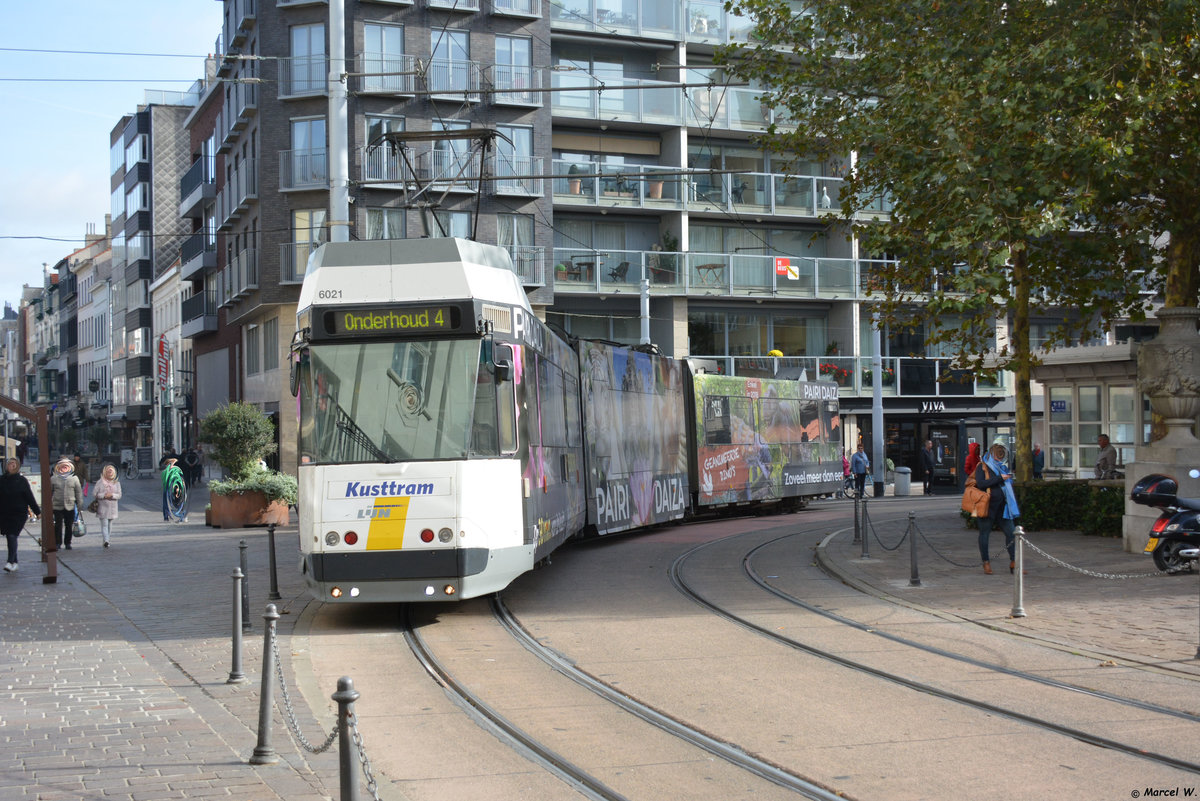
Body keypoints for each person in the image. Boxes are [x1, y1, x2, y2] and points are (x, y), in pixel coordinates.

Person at [975, 440, 1020, 575]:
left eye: (1001, 457)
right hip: (987, 506)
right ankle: (986, 563)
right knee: (984, 534)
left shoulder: (1001, 467)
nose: (999, 459)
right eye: (997, 456)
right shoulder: (982, 466)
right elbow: (981, 484)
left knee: (1011, 533)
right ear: (991, 453)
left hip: (1003, 507)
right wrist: (1000, 478)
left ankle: (1014, 562)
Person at [1, 457, 40, 572]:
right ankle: (15, 563)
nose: (11, 466)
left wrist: (37, 512)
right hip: (4, 514)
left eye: (14, 464)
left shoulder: (22, 481)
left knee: (12, 535)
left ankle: (9, 562)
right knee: (10, 537)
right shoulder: (2, 480)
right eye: (9, 464)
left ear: (17, 466)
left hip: (19, 514)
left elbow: (29, 497)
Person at [51, 457, 84, 551]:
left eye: (66, 467)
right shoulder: (53, 478)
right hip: (57, 505)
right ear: (58, 468)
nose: (64, 468)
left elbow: (78, 492)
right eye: (62, 467)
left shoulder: (74, 479)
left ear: (70, 468)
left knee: (68, 525)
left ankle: (68, 543)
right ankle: (57, 542)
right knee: (58, 525)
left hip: (70, 506)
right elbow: (49, 492)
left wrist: (80, 503)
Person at [92, 463, 123, 548]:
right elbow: (95, 493)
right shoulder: (100, 482)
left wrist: (112, 495)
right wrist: (104, 495)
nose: (110, 473)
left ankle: (107, 540)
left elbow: (119, 495)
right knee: (104, 524)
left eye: (111, 471)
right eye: (108, 471)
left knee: (110, 525)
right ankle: (106, 540)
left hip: (112, 507)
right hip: (103, 507)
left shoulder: (117, 483)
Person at [161, 457, 188, 524]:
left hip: (173, 489)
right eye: (172, 464)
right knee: (174, 503)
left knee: (174, 503)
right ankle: (170, 516)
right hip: (170, 489)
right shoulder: (167, 472)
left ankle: (168, 516)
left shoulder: (173, 471)